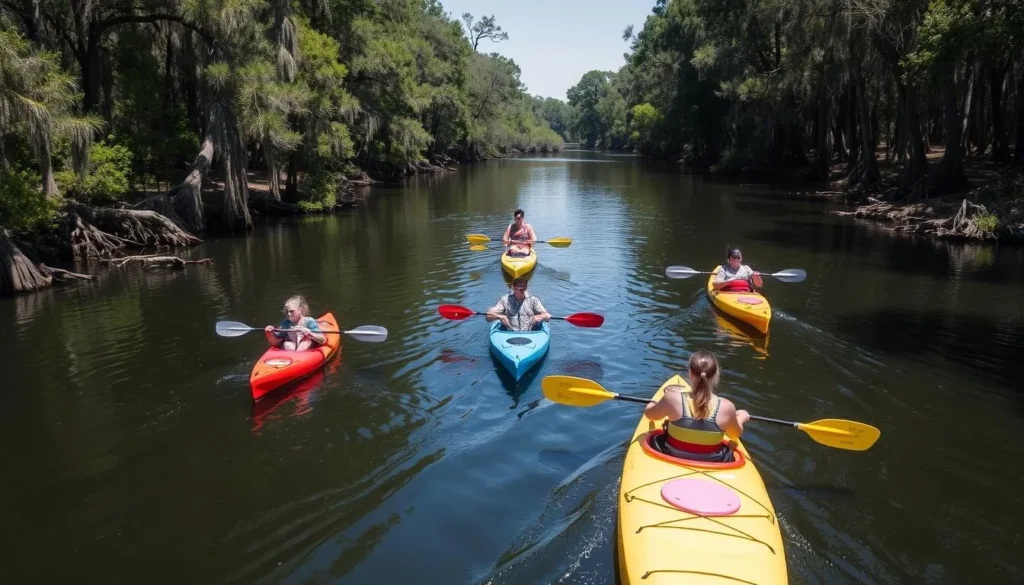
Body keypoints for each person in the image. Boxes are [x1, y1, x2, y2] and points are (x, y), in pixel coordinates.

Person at [642, 350, 750, 463]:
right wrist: (741, 417)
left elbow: (650, 415)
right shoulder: (727, 407)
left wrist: (653, 402)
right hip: (712, 462)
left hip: (672, 455)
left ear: (690, 372)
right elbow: (734, 434)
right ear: (716, 374)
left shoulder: (672, 398)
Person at [485, 276, 551, 332]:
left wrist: (540, 316)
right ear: (514, 288)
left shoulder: (534, 300)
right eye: (520, 289)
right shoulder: (505, 300)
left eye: (524, 288)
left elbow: (548, 316)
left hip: (529, 334)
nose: (523, 291)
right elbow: (488, 317)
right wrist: (499, 316)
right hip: (510, 334)